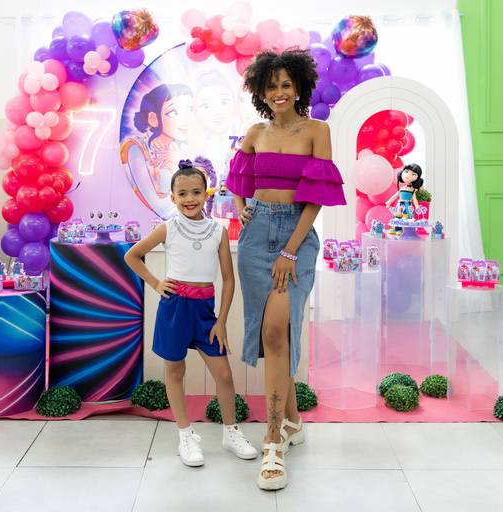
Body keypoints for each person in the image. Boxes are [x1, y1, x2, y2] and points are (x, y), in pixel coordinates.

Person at [226, 50, 347, 490]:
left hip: (295, 236)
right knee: (271, 336)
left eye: (285, 85)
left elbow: (315, 198)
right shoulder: (255, 132)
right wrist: (242, 209)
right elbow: (238, 177)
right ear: (261, 92)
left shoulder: (316, 130)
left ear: (299, 88)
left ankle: (273, 441)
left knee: (278, 330)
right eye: (271, 86)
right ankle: (293, 421)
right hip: (256, 236)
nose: (279, 93)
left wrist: (290, 252)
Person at [125, 160, 258, 467]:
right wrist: (156, 283)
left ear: (206, 193)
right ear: (172, 197)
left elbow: (228, 279)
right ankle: (185, 434)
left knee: (223, 374)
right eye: (182, 193)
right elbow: (132, 256)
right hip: (174, 308)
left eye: (196, 192)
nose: (190, 199)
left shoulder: (217, 231)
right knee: (175, 371)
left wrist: (221, 321)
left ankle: (231, 432)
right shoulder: (168, 228)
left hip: (205, 312)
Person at [385, 163, 424, 231]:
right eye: (406, 172)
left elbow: (414, 199)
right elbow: (395, 196)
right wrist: (389, 202)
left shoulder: (412, 190)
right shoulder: (402, 188)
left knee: (407, 218)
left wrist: (417, 206)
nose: (408, 175)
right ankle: (397, 229)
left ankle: (407, 230)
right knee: (397, 216)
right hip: (399, 205)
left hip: (408, 206)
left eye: (413, 174)